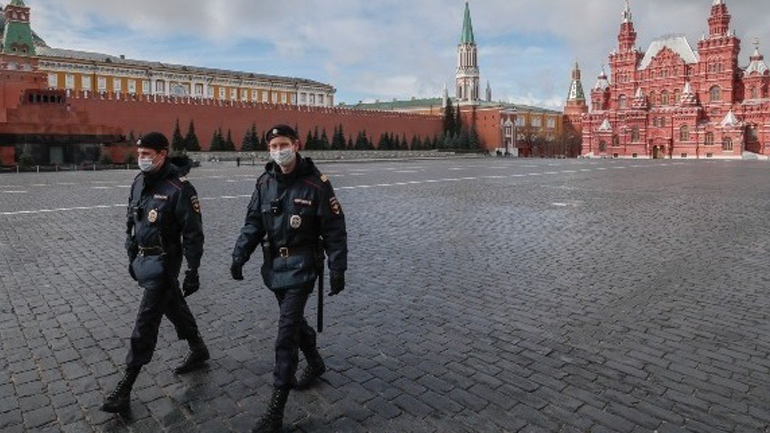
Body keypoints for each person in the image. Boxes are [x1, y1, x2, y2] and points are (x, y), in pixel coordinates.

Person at [231, 124, 347, 433]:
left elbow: (334, 229)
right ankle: (315, 361)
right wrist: (239, 254)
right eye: (272, 146)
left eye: (283, 144)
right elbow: (253, 222)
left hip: (303, 266)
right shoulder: (264, 182)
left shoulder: (317, 184)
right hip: (274, 268)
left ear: (296, 144)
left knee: (285, 335)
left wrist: (338, 268)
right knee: (293, 322)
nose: (277, 150)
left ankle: (276, 410)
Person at [101, 132, 209, 413]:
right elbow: (131, 221)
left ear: (162, 154)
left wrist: (193, 269)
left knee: (146, 321)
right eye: (140, 154)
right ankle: (198, 348)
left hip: (165, 262)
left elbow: (193, 233)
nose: (142, 159)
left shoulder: (180, 189)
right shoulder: (139, 183)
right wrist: (130, 253)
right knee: (171, 304)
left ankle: (126, 386)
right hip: (143, 260)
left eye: (147, 154)